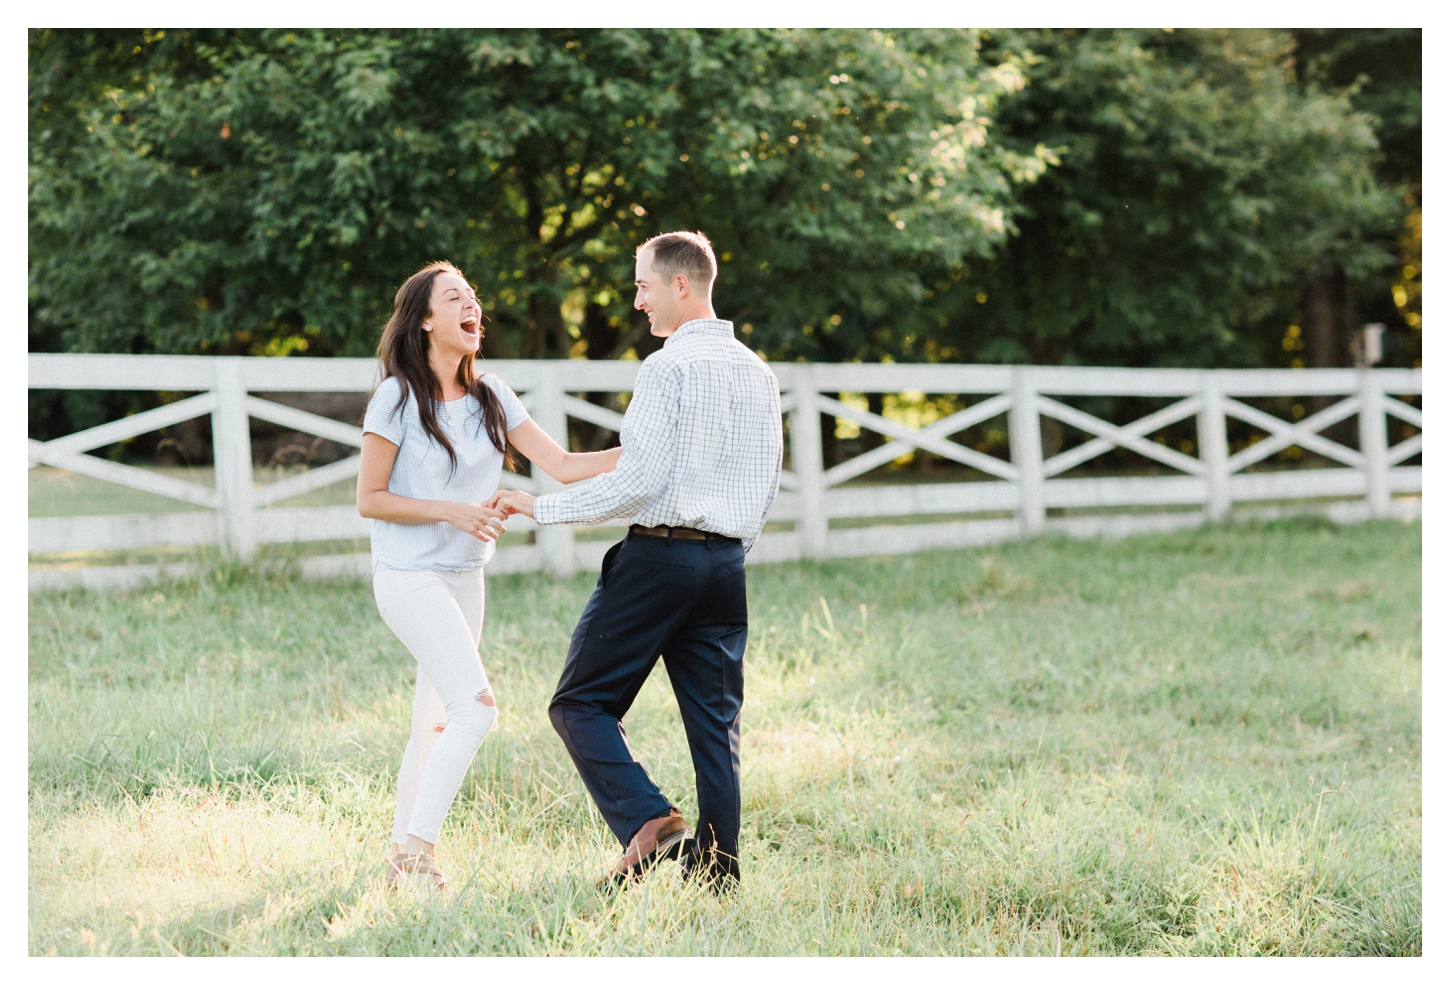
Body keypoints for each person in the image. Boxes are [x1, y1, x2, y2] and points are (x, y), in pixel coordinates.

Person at [490, 231, 783, 891]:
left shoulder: (666, 368)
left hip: (659, 559)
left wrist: (539, 508)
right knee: (716, 728)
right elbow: (765, 483)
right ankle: (717, 880)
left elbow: (637, 482)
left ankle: (651, 821)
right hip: (726, 566)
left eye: (644, 285)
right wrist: (726, 554)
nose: (637, 300)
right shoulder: (758, 372)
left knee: (580, 701)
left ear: (681, 285)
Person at [357, 261, 622, 890]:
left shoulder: (492, 395)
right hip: (407, 575)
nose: (472, 307)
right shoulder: (397, 396)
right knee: (475, 710)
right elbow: (369, 497)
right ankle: (418, 856)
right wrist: (453, 509)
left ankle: (398, 855)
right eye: (455, 298)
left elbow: (560, 465)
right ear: (425, 320)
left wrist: (643, 452)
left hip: (464, 578)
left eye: (474, 298)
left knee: (436, 719)